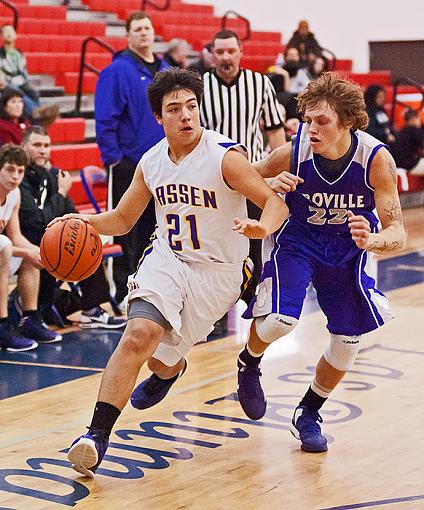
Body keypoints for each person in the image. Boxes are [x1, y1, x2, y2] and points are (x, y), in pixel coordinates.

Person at [50, 68, 289, 477]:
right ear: (159, 118)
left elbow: (274, 202)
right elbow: (124, 219)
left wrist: (261, 228)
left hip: (219, 274)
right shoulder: (152, 161)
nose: (186, 116)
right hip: (169, 258)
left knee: (160, 363)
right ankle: (94, 436)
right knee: (138, 335)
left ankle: (172, 369)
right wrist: (85, 223)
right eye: (174, 109)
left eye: (192, 107)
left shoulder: (224, 157)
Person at [236, 72, 406, 453]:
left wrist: (373, 239)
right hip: (297, 241)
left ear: (347, 121)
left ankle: (308, 411)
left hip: (347, 250)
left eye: (322, 121)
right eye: (308, 119)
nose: (310, 128)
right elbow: (239, 176)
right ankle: (249, 361)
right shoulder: (292, 154)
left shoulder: (376, 160)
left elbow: (398, 231)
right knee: (280, 321)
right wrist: (269, 187)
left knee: (347, 344)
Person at [200, 29, 286, 332]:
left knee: (256, 243)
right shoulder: (200, 87)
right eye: (219, 52)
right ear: (211, 54)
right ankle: (216, 310)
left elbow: (275, 129)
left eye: (231, 51)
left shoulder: (259, 83)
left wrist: (279, 170)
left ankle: (257, 303)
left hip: (254, 175)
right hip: (214, 179)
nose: (225, 57)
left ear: (240, 53)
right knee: (218, 245)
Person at [94, 12, 170, 309]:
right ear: (128, 35)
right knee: (126, 227)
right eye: (137, 29)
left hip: (164, 165)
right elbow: (105, 118)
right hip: (128, 164)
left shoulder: (164, 70)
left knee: (157, 229)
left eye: (147, 28)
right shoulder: (117, 71)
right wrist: (114, 159)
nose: (143, 33)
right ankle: (122, 294)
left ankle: (152, 287)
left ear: (154, 32)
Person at [19, 126, 126, 329]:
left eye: (47, 146)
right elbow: (36, 222)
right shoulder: (20, 178)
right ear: (24, 147)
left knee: (83, 239)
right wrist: (60, 192)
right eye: (37, 145)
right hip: (28, 240)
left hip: (48, 239)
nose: (43, 150)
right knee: (74, 243)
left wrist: (75, 227)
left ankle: (92, 310)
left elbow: (70, 214)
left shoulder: (51, 175)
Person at [0, 143, 62, 351]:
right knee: (6, 246)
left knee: (32, 254)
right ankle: (1, 326)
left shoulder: (14, 194)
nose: (15, 176)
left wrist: (37, 251)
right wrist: (25, 251)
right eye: (10, 170)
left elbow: (16, 236)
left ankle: (29, 320)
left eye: (20, 171)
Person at [0, 24, 59, 126]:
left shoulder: (19, 53)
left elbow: (23, 70)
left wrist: (25, 82)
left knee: (33, 93)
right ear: (2, 36)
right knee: (17, 92)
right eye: (6, 31)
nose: (9, 34)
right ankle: (37, 114)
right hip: (7, 83)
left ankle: (36, 119)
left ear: (15, 35)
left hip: (21, 82)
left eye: (11, 31)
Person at [391, 109, 424, 176]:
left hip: (397, 164)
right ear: (414, 119)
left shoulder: (402, 131)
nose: (419, 121)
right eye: (418, 119)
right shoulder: (415, 130)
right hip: (409, 165)